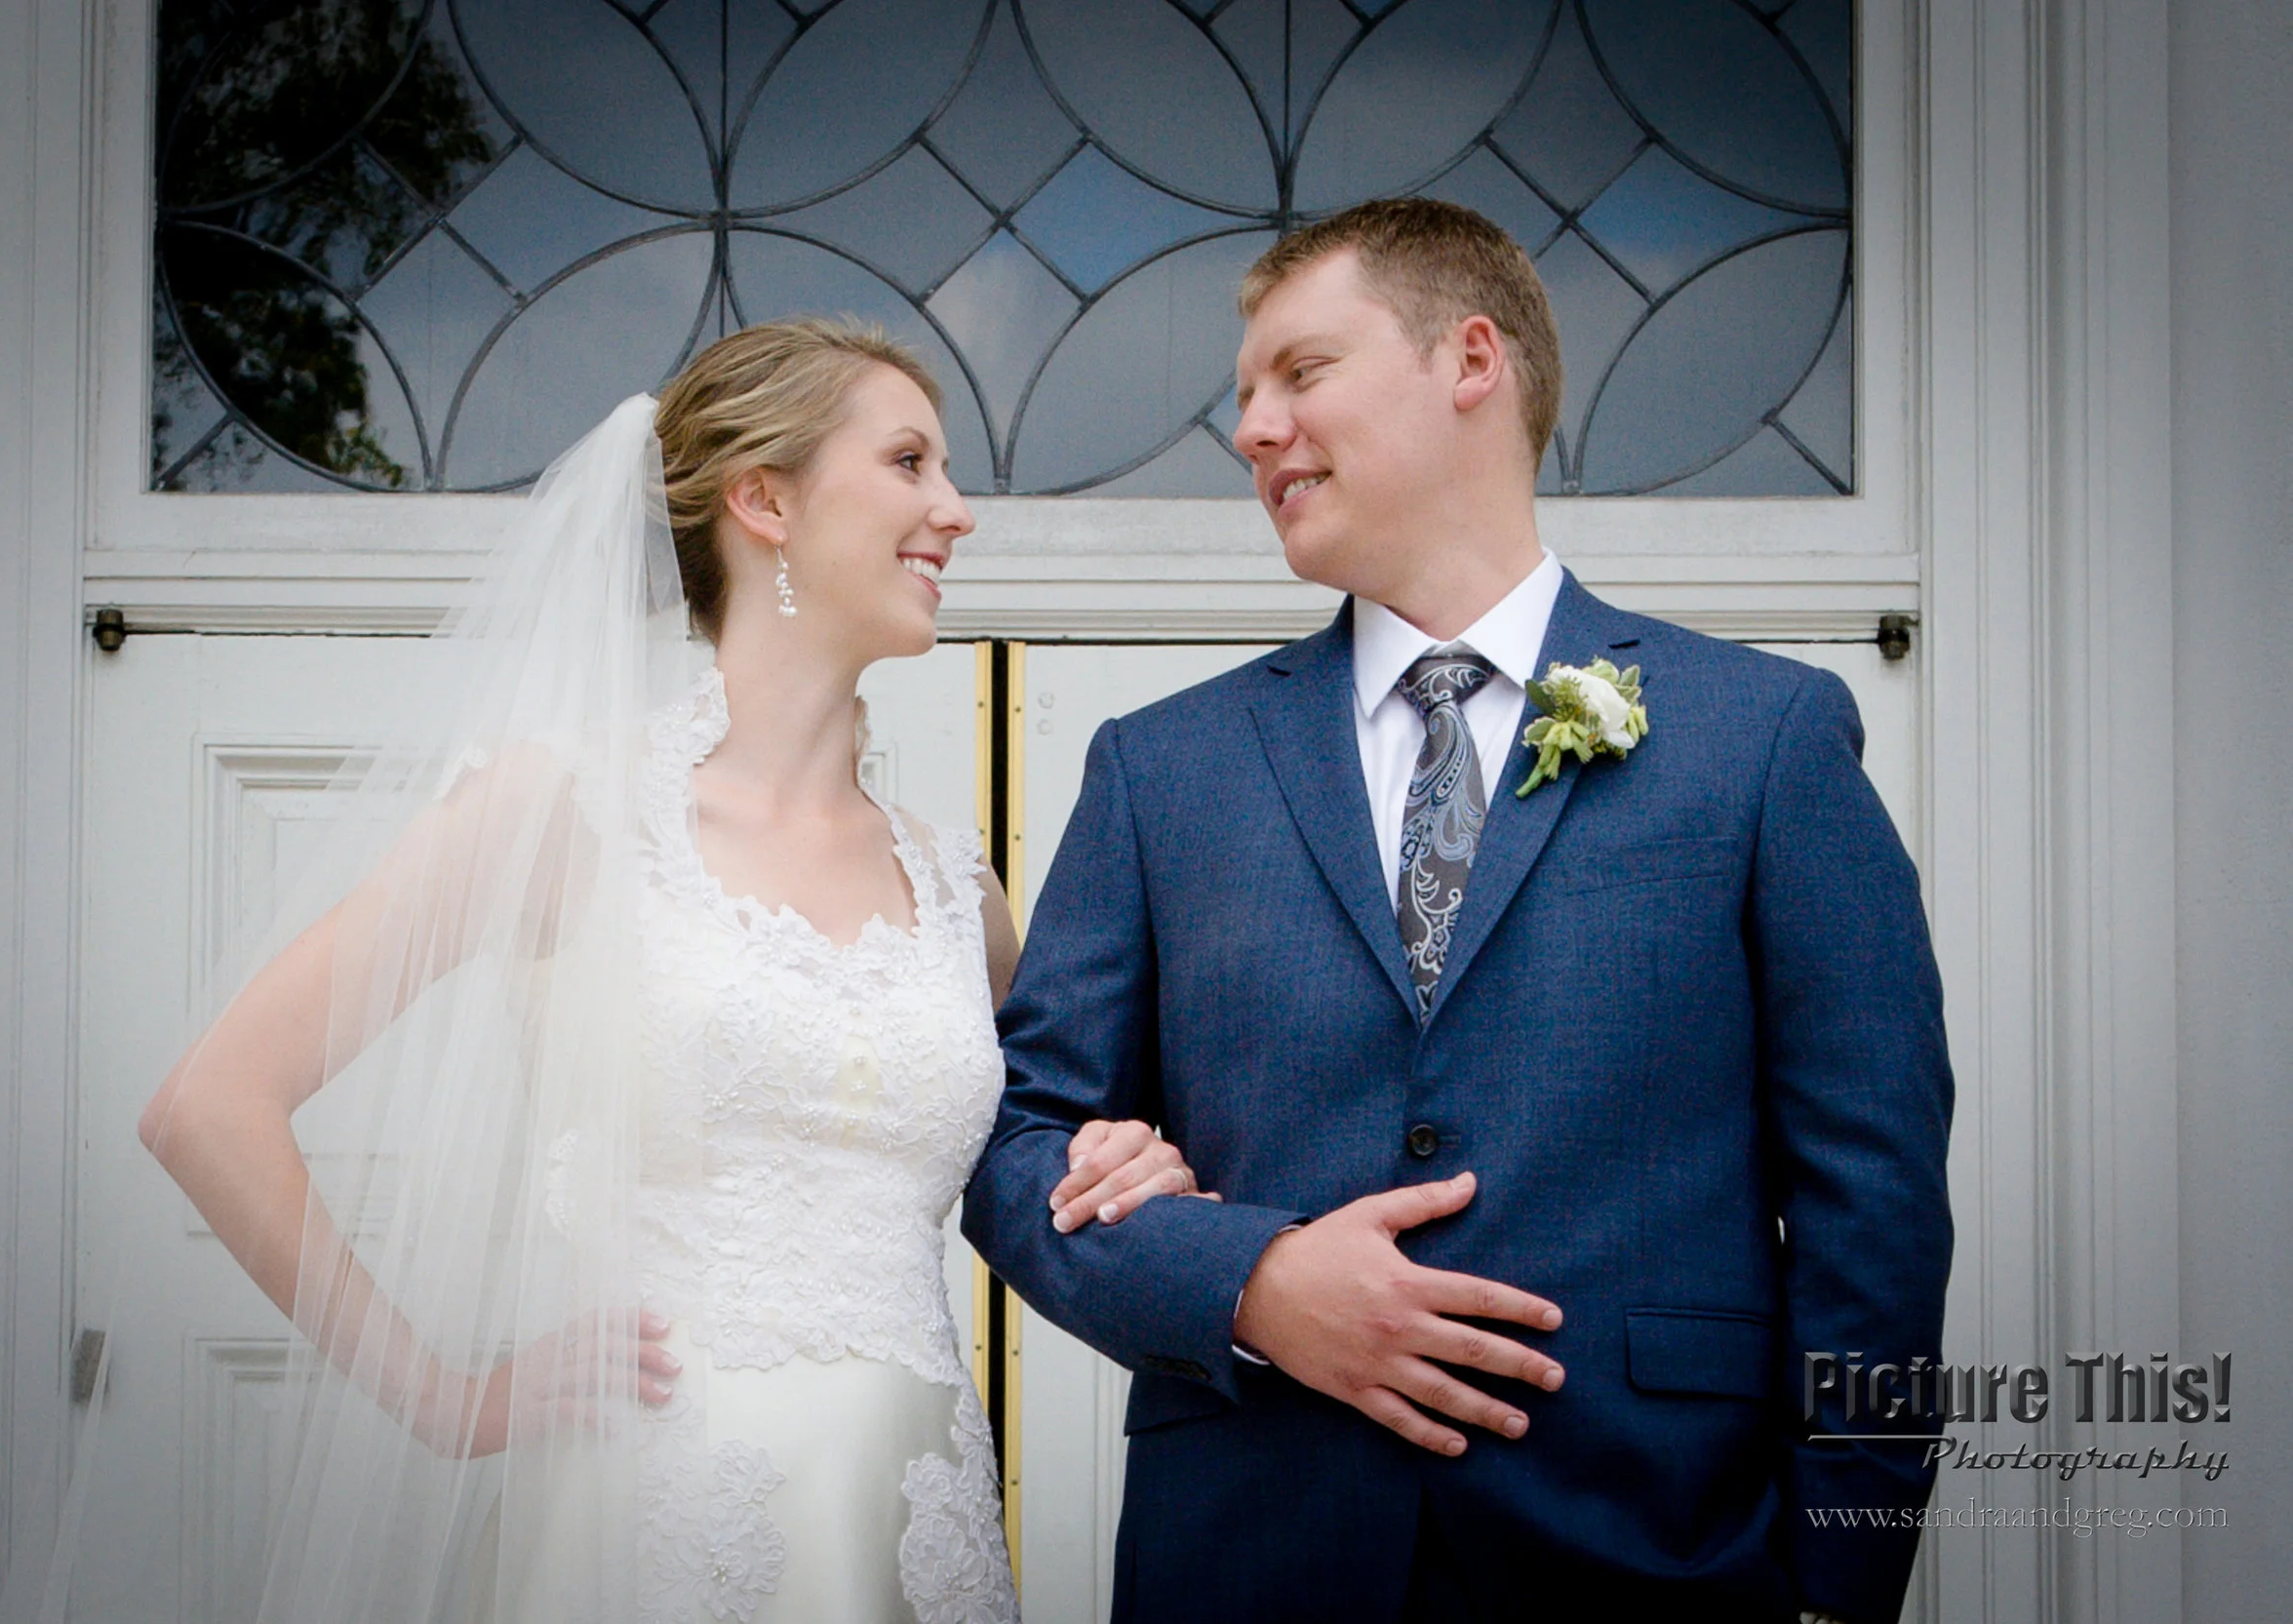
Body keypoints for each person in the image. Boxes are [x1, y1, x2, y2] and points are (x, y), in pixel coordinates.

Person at [962, 198, 1956, 1622]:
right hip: (1250, 1565)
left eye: (1300, 374)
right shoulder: (1160, 768)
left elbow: (1877, 1205)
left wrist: (1842, 1589)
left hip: (1660, 1556)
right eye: (1243, 397)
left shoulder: (1765, 738)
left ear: (1470, 360)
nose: (1251, 429)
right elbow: (1014, 1148)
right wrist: (1250, 1284)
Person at [136, 319, 1198, 1623]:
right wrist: (445, 1398)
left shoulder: (953, 888)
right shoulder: (565, 814)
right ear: (765, 500)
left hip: (915, 1525)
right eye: (910, 462)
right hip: (648, 1524)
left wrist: (1131, 1160)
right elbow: (209, 1106)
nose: (956, 512)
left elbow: (1047, 1156)